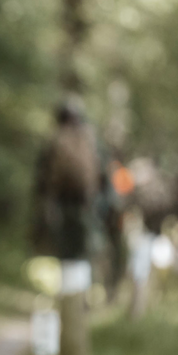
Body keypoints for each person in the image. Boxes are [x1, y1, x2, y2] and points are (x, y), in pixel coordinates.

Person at [31, 97, 110, 263]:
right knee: (84, 242)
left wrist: (42, 199)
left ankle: (65, 278)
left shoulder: (54, 139)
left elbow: (41, 173)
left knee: (63, 242)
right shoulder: (92, 139)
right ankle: (83, 281)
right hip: (86, 199)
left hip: (59, 199)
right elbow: (104, 174)